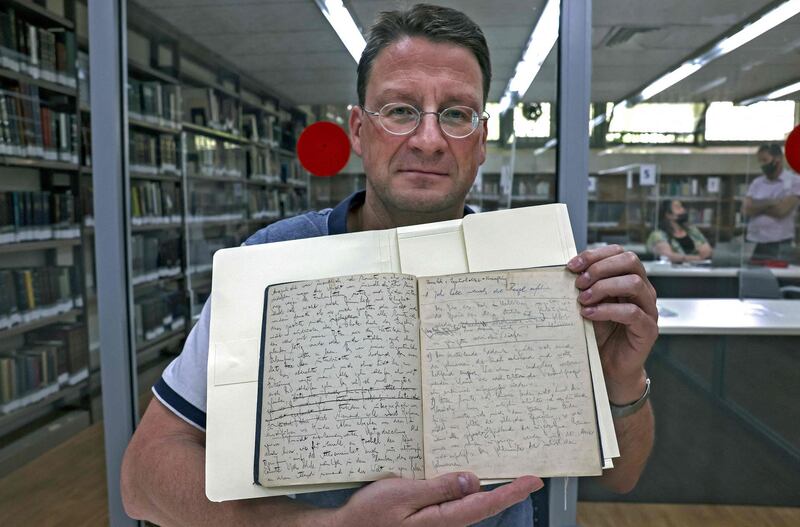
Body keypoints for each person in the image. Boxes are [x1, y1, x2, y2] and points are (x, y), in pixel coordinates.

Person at [120, 5, 657, 526]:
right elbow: (141, 481)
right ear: (358, 130)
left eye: (456, 114)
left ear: (481, 141)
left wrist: (622, 378)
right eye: (400, 110)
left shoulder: (540, 269)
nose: (428, 139)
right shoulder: (268, 262)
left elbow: (623, 476)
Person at [742, 143, 800, 261]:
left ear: (777, 159)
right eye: (760, 161)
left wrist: (757, 206)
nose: (762, 164)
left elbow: (781, 211)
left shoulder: (795, 182)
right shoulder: (757, 183)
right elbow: (746, 210)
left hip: (779, 242)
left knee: (779, 276)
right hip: (754, 241)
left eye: (765, 160)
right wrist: (771, 202)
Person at [647, 199, 713, 263]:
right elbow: (668, 256)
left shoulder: (692, 231)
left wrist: (704, 254)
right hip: (672, 272)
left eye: (682, 207)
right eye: (678, 208)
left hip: (698, 270)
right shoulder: (657, 235)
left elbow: (707, 250)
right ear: (668, 214)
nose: (683, 210)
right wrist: (698, 258)